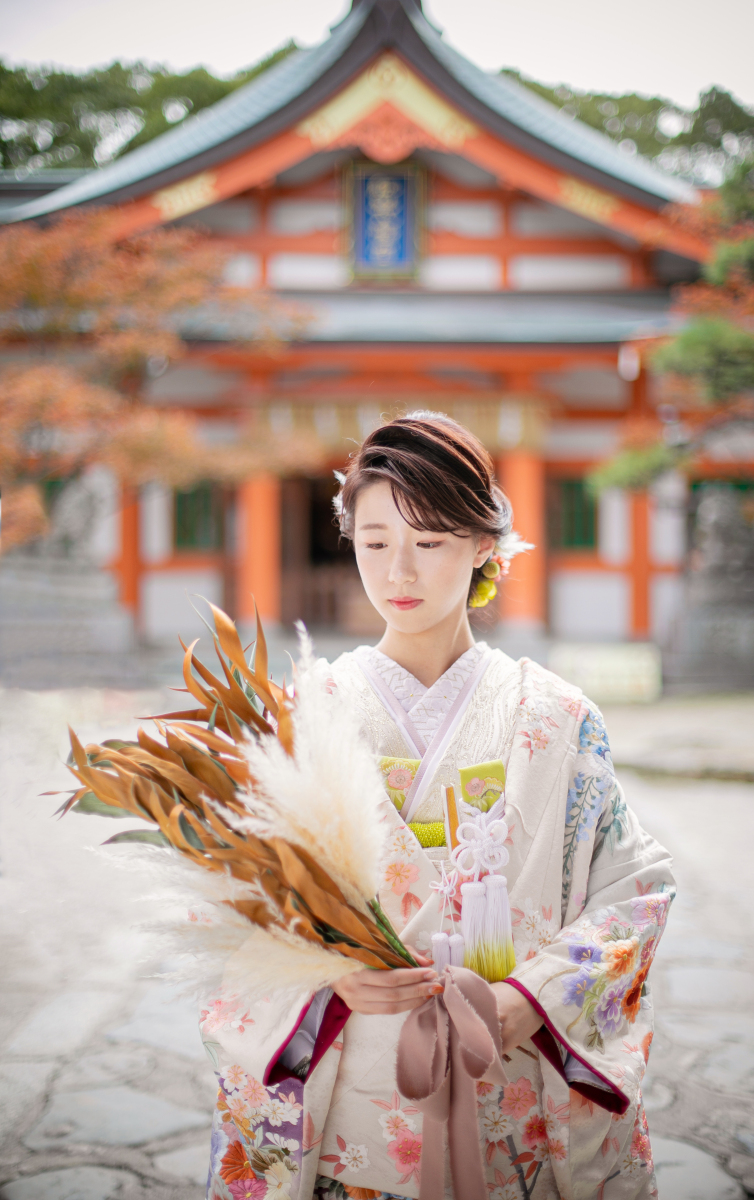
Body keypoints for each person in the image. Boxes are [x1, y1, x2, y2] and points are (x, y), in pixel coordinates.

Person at [204, 413, 674, 1200]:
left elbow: (636, 889)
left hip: (509, 1072)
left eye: (430, 543)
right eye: (375, 541)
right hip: (355, 1100)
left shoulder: (556, 717)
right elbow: (233, 908)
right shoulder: (301, 711)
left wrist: (531, 998)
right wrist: (324, 979)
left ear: (484, 545)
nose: (399, 572)